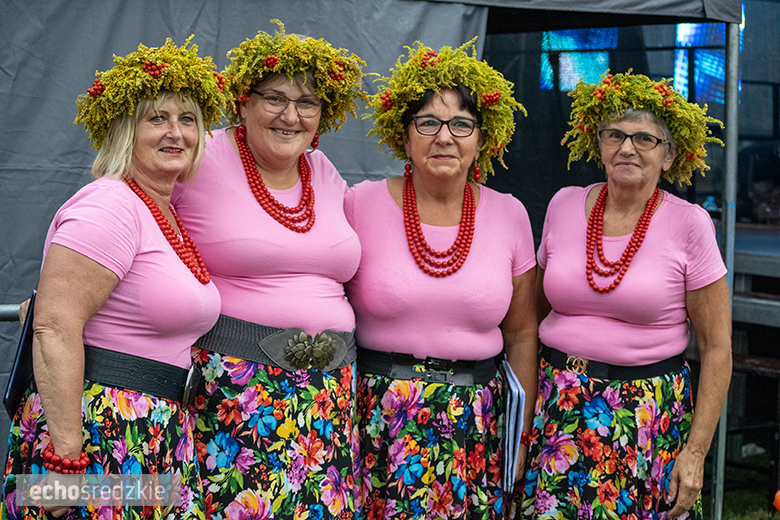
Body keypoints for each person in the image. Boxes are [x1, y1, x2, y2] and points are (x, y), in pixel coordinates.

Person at [0, 38, 225, 520]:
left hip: (149, 433)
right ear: (126, 128)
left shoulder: (158, 207)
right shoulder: (110, 206)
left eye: (188, 120)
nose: (176, 133)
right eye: (157, 118)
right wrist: (65, 464)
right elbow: (53, 327)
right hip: (98, 435)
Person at [170, 20, 367, 520]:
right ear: (243, 100)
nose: (291, 115)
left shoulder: (324, 172)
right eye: (274, 98)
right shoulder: (198, 155)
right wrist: (63, 291)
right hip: (235, 390)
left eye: (307, 103)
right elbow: (121, 208)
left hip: (328, 397)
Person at [520, 71, 731, 520]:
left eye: (644, 139)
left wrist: (695, 454)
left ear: (670, 154)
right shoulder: (562, 205)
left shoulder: (690, 224)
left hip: (645, 419)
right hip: (561, 408)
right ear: (598, 144)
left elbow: (717, 348)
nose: (627, 147)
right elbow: (533, 316)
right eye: (614, 134)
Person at [345, 40, 538, 520]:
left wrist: (520, 433)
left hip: (476, 423)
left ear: (482, 138)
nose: (444, 137)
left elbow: (521, 334)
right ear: (403, 136)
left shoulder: (511, 214)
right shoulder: (357, 204)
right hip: (378, 417)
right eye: (427, 123)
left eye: (461, 124)